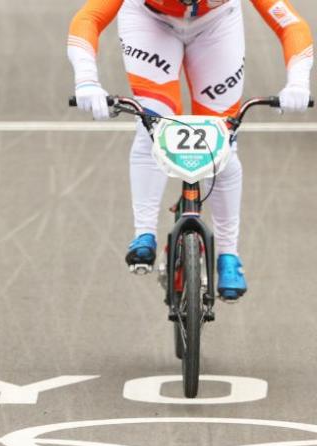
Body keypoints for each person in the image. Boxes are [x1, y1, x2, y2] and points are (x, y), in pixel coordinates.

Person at [68, 0, 313, 300]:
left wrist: (298, 82)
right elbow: (88, 17)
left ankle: (228, 254)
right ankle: (143, 233)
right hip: (150, 23)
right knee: (154, 124)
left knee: (223, 141)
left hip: (217, 25)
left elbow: (291, 24)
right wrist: (87, 80)